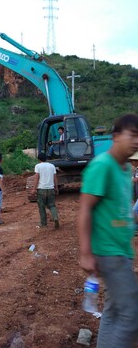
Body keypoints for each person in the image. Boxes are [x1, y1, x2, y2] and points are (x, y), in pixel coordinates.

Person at [77, 114, 138, 348]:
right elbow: (84, 209)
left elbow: (122, 211)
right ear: (115, 137)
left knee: (113, 312)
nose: (136, 142)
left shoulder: (124, 171)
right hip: (108, 252)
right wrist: (85, 253)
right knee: (131, 315)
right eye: (131, 135)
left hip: (122, 252)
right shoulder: (102, 165)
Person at [32, 152, 59, 229]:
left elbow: (36, 178)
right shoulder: (52, 166)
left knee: (41, 206)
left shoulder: (38, 166)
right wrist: (56, 188)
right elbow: (55, 178)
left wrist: (34, 188)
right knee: (52, 205)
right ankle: (55, 217)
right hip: (51, 189)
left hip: (41, 189)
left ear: (39, 159)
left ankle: (43, 223)